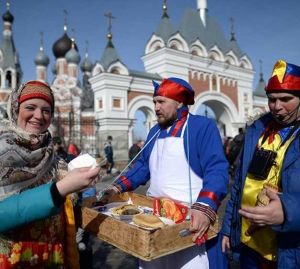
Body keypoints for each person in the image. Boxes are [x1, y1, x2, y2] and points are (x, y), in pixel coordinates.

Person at [105, 77, 229, 268]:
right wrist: (116, 187)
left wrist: (205, 206)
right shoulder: (154, 131)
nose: (156, 107)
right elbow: (142, 167)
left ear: (179, 102)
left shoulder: (201, 127)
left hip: (190, 222)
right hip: (154, 220)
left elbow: (217, 170)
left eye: (161, 101)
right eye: (154, 102)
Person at [0, 80, 102, 268]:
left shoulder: (54, 159)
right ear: (15, 109)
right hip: (13, 260)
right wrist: (60, 189)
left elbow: (65, 207)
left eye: (46, 110)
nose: (39, 116)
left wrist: (81, 186)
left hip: (53, 257)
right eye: (30, 107)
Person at [222, 59, 300, 269]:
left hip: (289, 251)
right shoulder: (257, 129)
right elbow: (238, 186)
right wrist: (229, 228)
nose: (277, 107)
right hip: (250, 246)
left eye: (286, 99)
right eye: (272, 99)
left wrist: (288, 211)